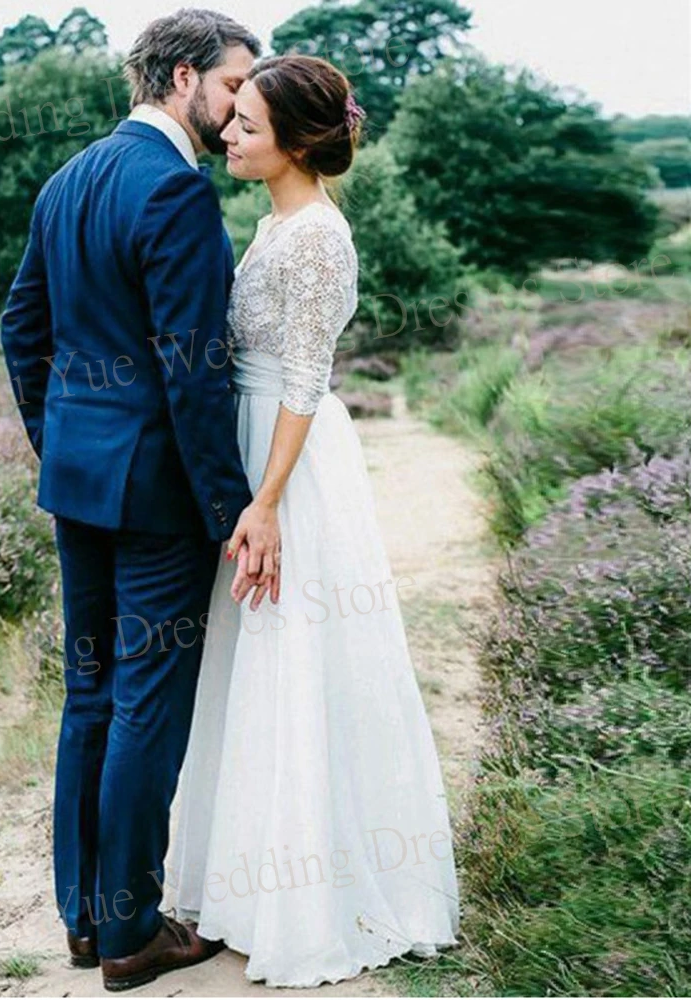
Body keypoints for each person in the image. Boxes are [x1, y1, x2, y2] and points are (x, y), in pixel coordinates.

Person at [162, 54, 461, 987]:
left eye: (247, 125)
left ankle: (313, 895)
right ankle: (250, 881)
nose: (227, 135)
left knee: (296, 655)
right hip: (255, 449)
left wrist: (266, 504)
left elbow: (303, 381)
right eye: (232, 118)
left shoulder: (319, 237)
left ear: (296, 142)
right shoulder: (274, 224)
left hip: (287, 461)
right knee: (250, 668)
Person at [0, 8, 280, 994]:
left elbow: (18, 328)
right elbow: (195, 375)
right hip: (159, 499)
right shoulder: (173, 190)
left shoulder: (69, 177)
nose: (246, 98)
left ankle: (84, 921)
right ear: (181, 77)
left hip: (79, 486)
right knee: (145, 707)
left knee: (91, 696)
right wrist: (232, 510)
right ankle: (130, 933)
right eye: (236, 79)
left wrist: (65, 444)